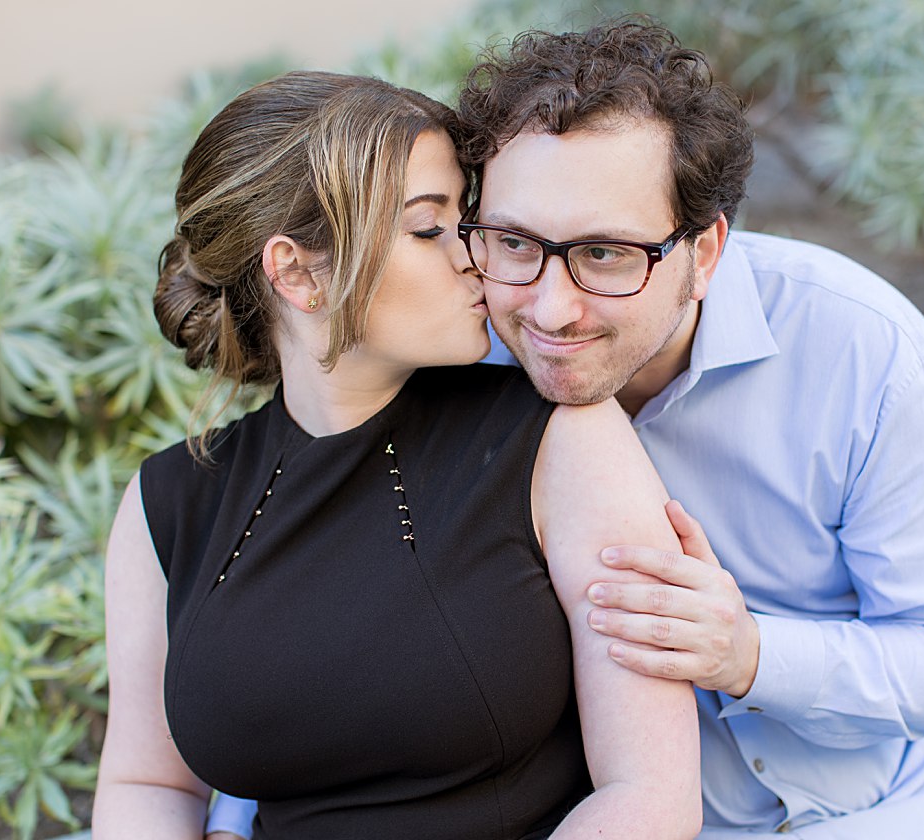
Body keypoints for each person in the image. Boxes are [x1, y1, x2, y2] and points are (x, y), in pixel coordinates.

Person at [206, 23, 924, 840]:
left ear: (707, 251)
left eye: (607, 255)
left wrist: (748, 654)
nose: (549, 309)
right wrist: (239, 813)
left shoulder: (864, 352)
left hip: (894, 816)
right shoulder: (454, 357)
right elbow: (310, 603)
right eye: (512, 242)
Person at [92, 70, 702, 840]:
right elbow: (147, 780)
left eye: (466, 222)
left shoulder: (558, 439)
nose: (474, 258)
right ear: (299, 273)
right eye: (428, 229)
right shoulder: (170, 502)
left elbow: (651, 796)